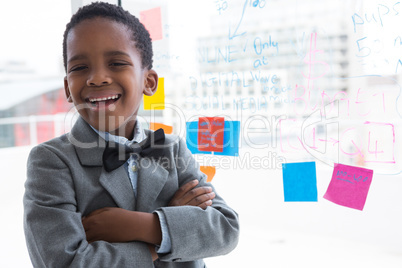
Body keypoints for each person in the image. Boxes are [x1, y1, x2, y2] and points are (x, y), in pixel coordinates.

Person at [23, 2, 239, 267]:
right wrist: (162, 236)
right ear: (67, 87)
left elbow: (225, 229)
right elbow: (64, 262)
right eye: (80, 68)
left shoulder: (172, 148)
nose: (97, 78)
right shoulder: (51, 161)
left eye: (116, 63)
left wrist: (138, 225)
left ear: (148, 82)